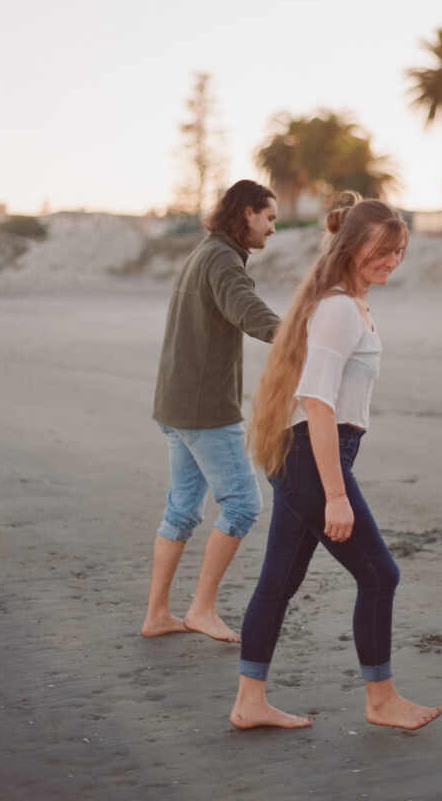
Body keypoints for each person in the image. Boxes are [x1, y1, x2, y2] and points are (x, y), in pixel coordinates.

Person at [230, 198, 442, 730]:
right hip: (311, 456)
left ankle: (248, 702)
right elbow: (317, 402)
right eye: (381, 251)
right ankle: (380, 700)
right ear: (350, 247)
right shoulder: (339, 310)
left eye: (398, 252)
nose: (391, 261)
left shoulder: (350, 302)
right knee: (379, 577)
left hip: (310, 454)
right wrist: (337, 493)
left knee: (279, 579)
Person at [141, 180, 280, 642]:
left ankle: (158, 615)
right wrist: (302, 336)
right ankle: (201, 609)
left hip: (177, 403)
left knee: (181, 510)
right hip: (203, 411)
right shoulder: (222, 258)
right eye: (270, 218)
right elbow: (248, 310)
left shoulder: (206, 251)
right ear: (247, 214)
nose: (272, 229)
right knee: (243, 504)